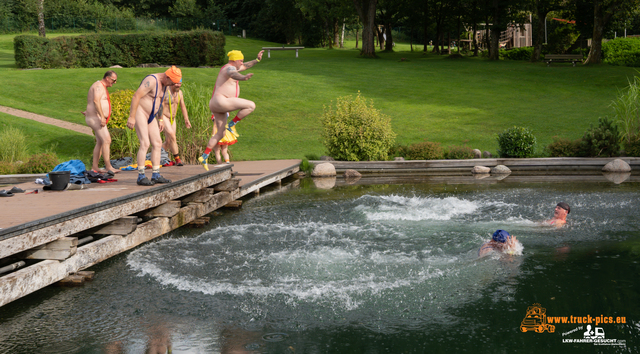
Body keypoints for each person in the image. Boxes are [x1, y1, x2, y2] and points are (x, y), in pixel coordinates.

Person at [198, 49, 264, 171]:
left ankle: (204, 155)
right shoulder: (229, 68)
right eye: (241, 61)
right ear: (235, 60)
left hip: (215, 105)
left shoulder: (233, 67)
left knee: (220, 134)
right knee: (251, 105)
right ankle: (232, 125)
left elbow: (245, 66)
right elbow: (234, 74)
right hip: (221, 101)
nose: (242, 63)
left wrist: (257, 60)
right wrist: (244, 78)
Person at [127, 66, 181, 186]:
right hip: (141, 113)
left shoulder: (166, 84)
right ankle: (141, 176)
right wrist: (131, 116)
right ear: (167, 77)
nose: (172, 84)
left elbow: (160, 102)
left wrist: (160, 118)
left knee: (157, 143)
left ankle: (156, 174)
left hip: (152, 115)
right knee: (145, 143)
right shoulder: (151, 81)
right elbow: (136, 96)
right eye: (172, 82)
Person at [85, 70, 119, 174]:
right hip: (96, 118)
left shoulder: (100, 86)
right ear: (107, 78)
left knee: (100, 142)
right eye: (114, 80)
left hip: (95, 117)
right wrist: (102, 118)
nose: (115, 82)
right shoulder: (99, 86)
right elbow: (96, 101)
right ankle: (108, 167)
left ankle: (95, 167)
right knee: (107, 140)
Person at [161, 80, 191, 166]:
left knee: (168, 141)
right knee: (172, 135)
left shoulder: (180, 93)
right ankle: (178, 160)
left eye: (180, 83)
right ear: (171, 83)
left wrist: (186, 119)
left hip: (172, 119)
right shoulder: (165, 92)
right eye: (176, 83)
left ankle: (158, 155)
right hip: (164, 116)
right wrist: (160, 120)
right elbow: (160, 106)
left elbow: (183, 105)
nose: (178, 85)